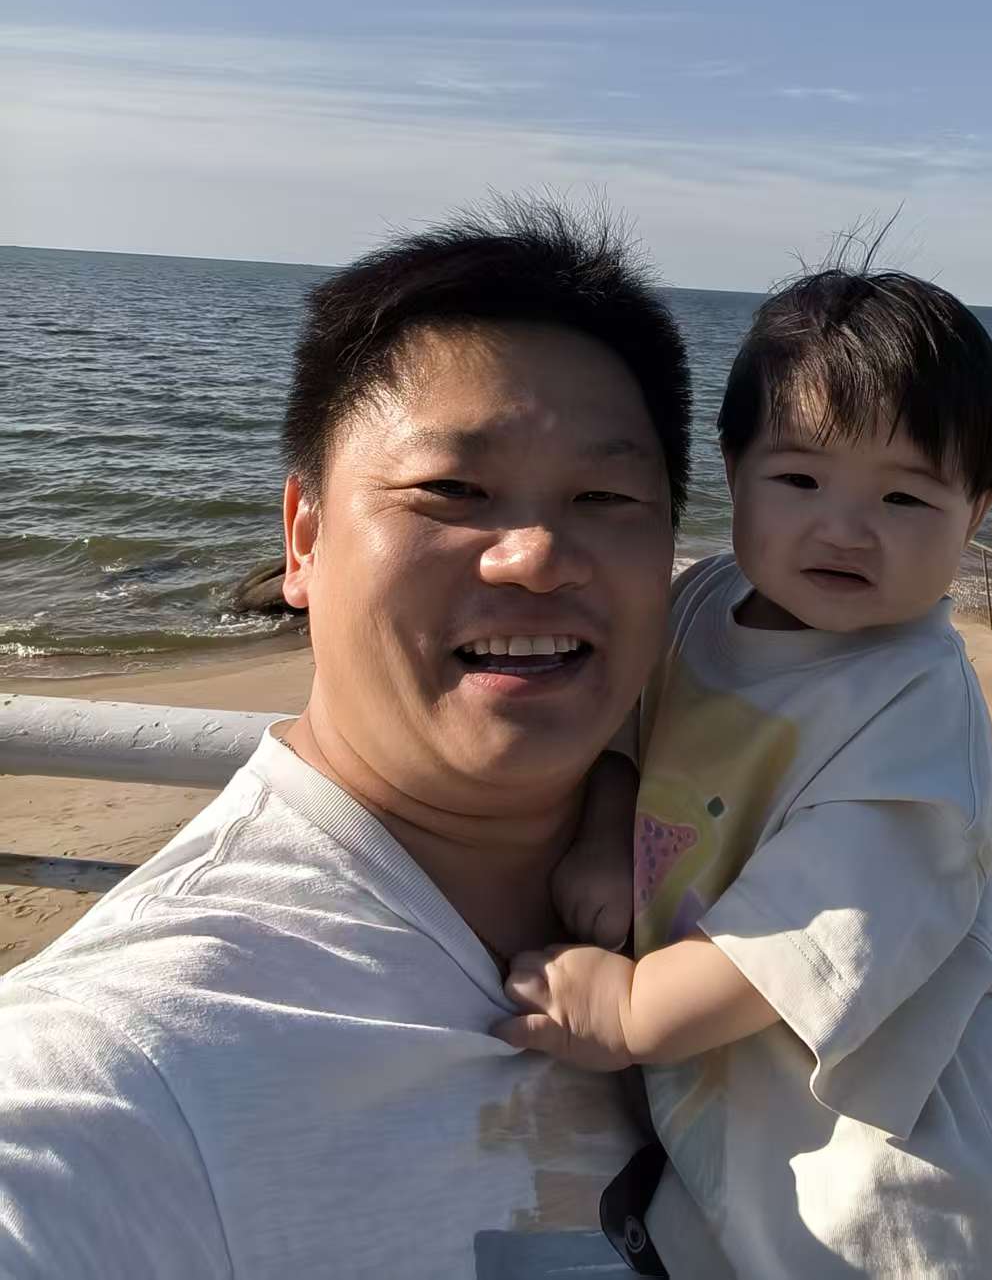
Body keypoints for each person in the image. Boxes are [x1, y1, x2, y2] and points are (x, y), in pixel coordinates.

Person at [0, 201, 695, 1279]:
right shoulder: (137, 1064)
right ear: (305, 539)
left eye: (604, 495)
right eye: (450, 489)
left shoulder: (777, 872)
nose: (535, 555)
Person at [501, 264, 992, 1277]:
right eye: (800, 480)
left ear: (977, 507)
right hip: (723, 1055)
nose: (844, 528)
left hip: (881, 1127)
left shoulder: (917, 704)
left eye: (904, 496)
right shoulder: (702, 599)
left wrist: (628, 1011)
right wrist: (603, 824)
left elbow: (813, 926)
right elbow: (629, 723)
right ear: (733, 469)